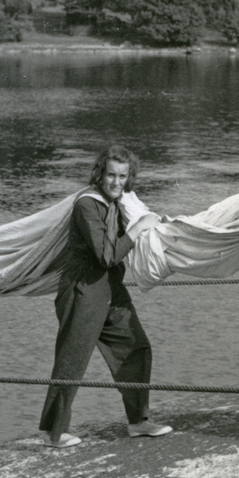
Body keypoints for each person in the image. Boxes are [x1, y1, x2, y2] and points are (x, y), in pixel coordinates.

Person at [38, 145, 170, 448]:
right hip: (82, 289)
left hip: (111, 289)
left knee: (135, 346)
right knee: (72, 360)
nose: (116, 182)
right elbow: (105, 255)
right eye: (111, 175)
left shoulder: (121, 203)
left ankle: (138, 422)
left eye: (122, 176)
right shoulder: (87, 204)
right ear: (101, 173)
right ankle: (52, 433)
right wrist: (137, 229)